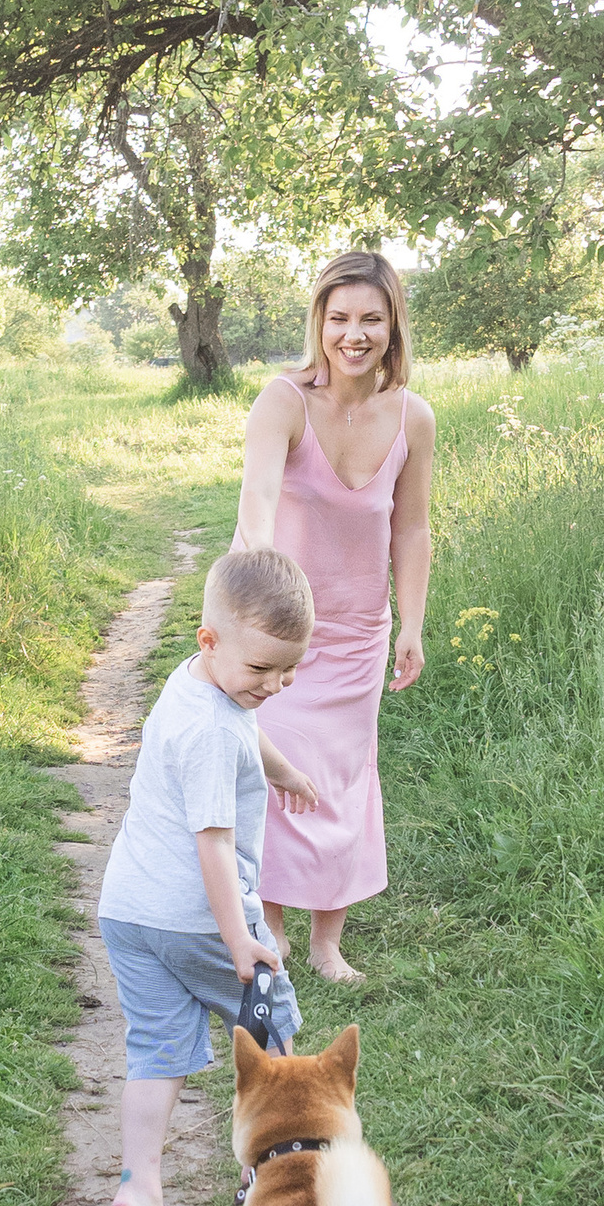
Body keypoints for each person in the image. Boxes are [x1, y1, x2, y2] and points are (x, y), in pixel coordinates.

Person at [97, 546, 322, 1206]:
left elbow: (242, 723)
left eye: (288, 669)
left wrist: (282, 771)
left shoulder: (194, 684)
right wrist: (241, 942)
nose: (275, 685)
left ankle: (141, 1190)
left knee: (157, 1049)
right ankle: (284, 1173)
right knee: (274, 1031)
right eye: (261, 670)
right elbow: (215, 847)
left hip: (129, 911)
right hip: (197, 918)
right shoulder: (216, 731)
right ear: (210, 640)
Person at [235, 250, 435, 984]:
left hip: (359, 630)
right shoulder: (283, 400)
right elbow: (256, 499)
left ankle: (327, 945)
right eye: (340, 318)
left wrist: (410, 624)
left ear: (392, 327)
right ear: (320, 322)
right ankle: (275, 933)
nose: (354, 334)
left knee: (346, 778)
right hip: (281, 623)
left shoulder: (413, 416)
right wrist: (259, 587)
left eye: (370, 319)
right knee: (278, 774)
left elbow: (411, 530)